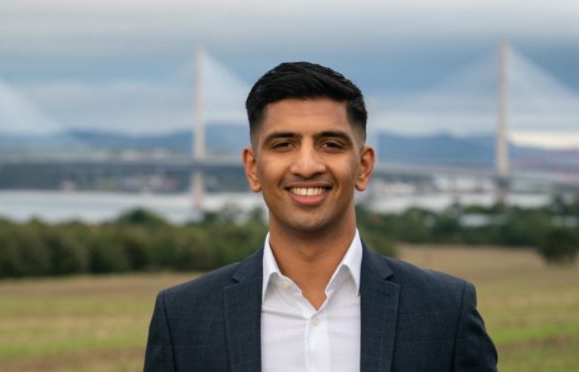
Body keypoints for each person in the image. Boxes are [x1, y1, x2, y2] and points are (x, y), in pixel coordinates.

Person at [144, 62, 498, 372]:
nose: (308, 165)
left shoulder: (445, 311)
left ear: (364, 166)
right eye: (284, 144)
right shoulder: (183, 318)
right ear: (253, 169)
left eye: (331, 144)